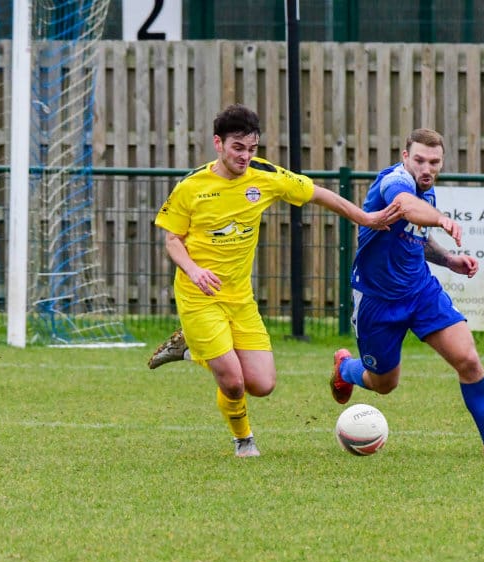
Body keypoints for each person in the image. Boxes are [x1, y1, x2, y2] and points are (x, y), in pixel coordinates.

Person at [150, 103, 400, 458]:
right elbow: (172, 240)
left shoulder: (264, 176)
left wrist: (366, 218)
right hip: (198, 295)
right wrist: (194, 270)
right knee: (233, 382)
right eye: (238, 148)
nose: (245, 156)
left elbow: (318, 194)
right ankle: (243, 440)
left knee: (262, 384)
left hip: (240, 298)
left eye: (251, 148)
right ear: (218, 144)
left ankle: (191, 348)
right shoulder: (191, 187)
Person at [329, 127, 484, 457]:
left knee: (468, 360)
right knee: (383, 384)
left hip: (421, 292)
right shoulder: (394, 181)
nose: (426, 168)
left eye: (434, 162)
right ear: (405, 157)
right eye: (419, 160)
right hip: (377, 300)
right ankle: (346, 368)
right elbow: (405, 207)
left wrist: (448, 260)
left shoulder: (426, 189)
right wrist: (442, 219)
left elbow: (416, 237)